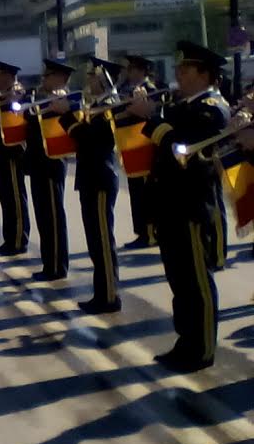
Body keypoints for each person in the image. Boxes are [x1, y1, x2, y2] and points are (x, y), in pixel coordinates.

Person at [126, 40, 229, 372]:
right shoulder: (183, 105)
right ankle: (185, 342)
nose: (179, 74)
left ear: (204, 74)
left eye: (186, 69)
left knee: (197, 282)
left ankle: (202, 350)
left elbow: (184, 151)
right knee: (179, 282)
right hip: (171, 206)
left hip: (193, 207)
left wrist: (153, 119)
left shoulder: (212, 108)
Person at [53, 58, 122, 314]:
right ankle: (101, 293)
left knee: (103, 241)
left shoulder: (108, 107)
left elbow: (89, 139)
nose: (89, 80)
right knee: (95, 241)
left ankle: (110, 296)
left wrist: (67, 117)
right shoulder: (94, 106)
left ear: (104, 79)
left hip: (101, 178)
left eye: (93, 76)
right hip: (90, 177)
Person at [25, 59, 73, 280]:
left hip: (52, 163)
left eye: (48, 75)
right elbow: (26, 117)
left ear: (61, 78)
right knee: (43, 216)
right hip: (38, 163)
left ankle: (57, 266)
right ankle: (48, 263)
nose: (43, 79)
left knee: (53, 216)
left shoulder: (64, 101)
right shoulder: (41, 98)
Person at [0, 60, 29, 256]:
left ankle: (18, 239)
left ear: (9, 77)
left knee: (15, 197)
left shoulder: (16, 93)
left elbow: (15, 115)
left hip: (12, 152)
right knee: (6, 197)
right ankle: (9, 238)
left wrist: (8, 100)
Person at [119, 55, 159, 249]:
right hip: (129, 145)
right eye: (129, 69)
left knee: (146, 192)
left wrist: (130, 108)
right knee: (136, 192)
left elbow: (150, 112)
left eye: (134, 69)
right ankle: (141, 231)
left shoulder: (150, 90)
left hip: (143, 145)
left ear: (143, 71)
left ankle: (150, 233)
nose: (130, 73)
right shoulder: (125, 90)